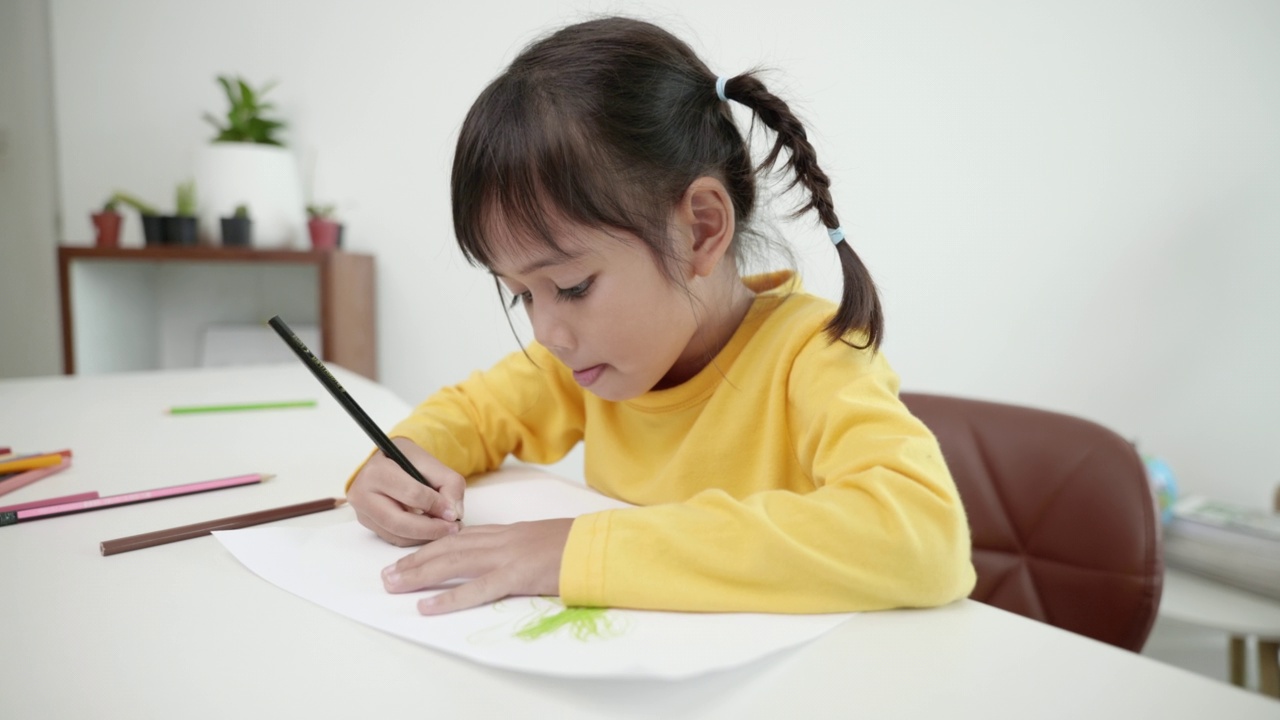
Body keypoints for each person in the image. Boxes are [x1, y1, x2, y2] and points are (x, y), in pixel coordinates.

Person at [348, 16, 976, 616]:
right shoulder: (581, 361)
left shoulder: (812, 356)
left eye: (571, 285)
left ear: (701, 229)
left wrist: (580, 549)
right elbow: (475, 414)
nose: (546, 334)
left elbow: (923, 536)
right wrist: (401, 460)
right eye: (521, 295)